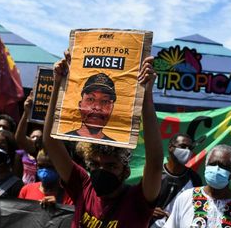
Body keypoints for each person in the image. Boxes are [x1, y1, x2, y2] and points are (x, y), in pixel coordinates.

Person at [43, 52, 163, 227]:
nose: (101, 170)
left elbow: (155, 161)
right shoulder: (83, 186)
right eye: (95, 164)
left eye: (111, 166)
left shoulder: (138, 200)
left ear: (125, 171)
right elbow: (50, 141)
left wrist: (145, 93)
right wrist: (58, 84)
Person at [164, 144, 231, 228]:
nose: (216, 169)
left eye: (223, 166)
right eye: (212, 164)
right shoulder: (186, 197)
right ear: (205, 166)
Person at [150, 133, 202, 228]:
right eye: (183, 146)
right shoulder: (155, 173)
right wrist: (149, 211)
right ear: (170, 147)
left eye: (190, 148)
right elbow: (138, 202)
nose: (187, 151)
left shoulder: (195, 179)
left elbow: (196, 211)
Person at [66, 72, 116, 140]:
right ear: (80, 105)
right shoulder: (62, 140)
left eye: (105, 101)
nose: (97, 107)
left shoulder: (117, 147)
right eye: (90, 99)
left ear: (111, 108)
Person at [15, 91, 43, 184]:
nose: (35, 139)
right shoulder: (23, 153)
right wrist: (26, 112)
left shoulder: (49, 155)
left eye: (39, 137)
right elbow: (19, 138)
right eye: (33, 137)